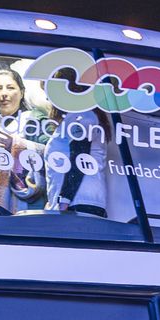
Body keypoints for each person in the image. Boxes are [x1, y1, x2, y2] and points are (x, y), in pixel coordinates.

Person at [43, 67, 109, 217]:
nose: (48, 98)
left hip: (77, 203)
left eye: (53, 90)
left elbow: (80, 157)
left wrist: (63, 201)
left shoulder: (80, 116)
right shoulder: (85, 116)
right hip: (81, 201)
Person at [0, 68, 47, 212]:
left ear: (22, 92)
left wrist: (17, 145)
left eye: (10, 88)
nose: (4, 94)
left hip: (26, 203)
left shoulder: (33, 120)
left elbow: (52, 153)